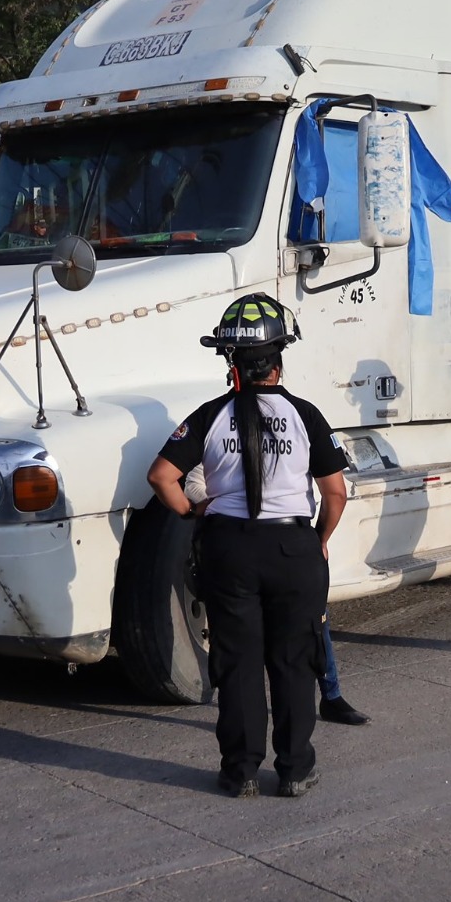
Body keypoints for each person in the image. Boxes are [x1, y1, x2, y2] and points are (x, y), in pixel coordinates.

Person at [148, 293, 349, 797]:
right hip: (293, 550)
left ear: (231, 360)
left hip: (229, 550)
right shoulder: (306, 415)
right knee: (292, 662)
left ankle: (240, 771)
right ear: (278, 359)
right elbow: (335, 492)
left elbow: (162, 477)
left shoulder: (209, 415)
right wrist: (318, 539)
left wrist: (194, 511)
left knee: (237, 664)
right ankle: (295, 769)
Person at [184, 462, 369, 727]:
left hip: (288, 547)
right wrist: (229, 505)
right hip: (242, 551)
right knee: (244, 642)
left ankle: (331, 697)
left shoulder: (289, 438)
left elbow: (331, 490)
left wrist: (320, 541)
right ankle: (245, 722)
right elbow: (192, 482)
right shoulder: (230, 434)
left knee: (316, 622)